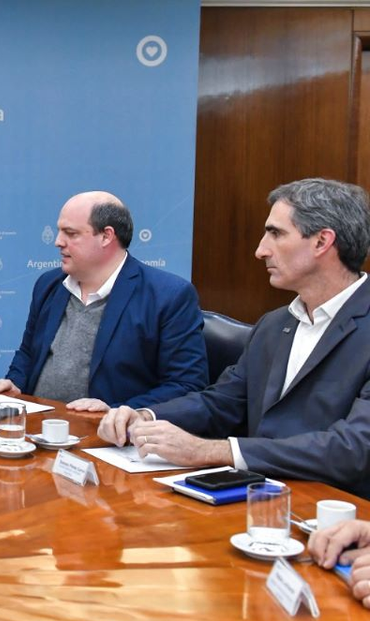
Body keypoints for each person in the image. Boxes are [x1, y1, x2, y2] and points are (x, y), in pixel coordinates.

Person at [99, 178, 370, 498]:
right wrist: (146, 416)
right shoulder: (274, 324)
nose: (260, 250)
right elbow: (222, 402)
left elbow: (353, 449)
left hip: (338, 510)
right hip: (259, 499)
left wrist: (213, 451)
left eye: (276, 233)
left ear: (322, 241)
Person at [0, 191, 207, 411]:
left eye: (71, 233)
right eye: (59, 232)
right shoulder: (49, 285)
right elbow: (29, 353)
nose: (58, 242)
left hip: (108, 433)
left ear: (106, 236)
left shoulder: (168, 296)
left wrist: (118, 411)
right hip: (37, 425)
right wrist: (15, 383)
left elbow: (186, 386)